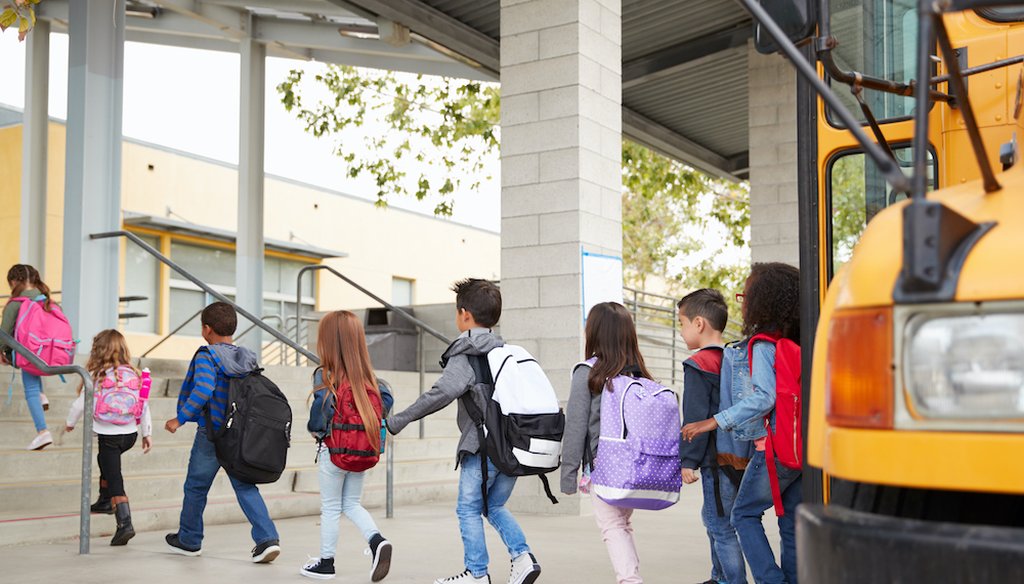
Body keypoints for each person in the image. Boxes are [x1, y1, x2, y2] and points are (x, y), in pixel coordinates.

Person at [385, 278, 541, 584]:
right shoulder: (506, 352)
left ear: (465, 314)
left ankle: (477, 573)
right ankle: (522, 557)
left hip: (482, 448)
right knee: (492, 505)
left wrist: (399, 419)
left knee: (468, 508)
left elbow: (441, 393)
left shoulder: (468, 352)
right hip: (514, 445)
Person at [682, 263, 802, 584]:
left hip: (774, 448)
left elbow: (764, 398)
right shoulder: (798, 341)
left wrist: (714, 422)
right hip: (801, 447)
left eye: (745, 296)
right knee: (790, 521)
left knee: (743, 514)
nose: (742, 303)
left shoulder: (763, 345)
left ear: (763, 301)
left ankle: (770, 580)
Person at [163, 302, 281, 563]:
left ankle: (190, 540)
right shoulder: (246, 357)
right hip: (239, 435)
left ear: (207, 329)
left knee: (195, 487)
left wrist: (179, 419)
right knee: (244, 485)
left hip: (211, 435)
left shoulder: (208, 356)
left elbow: (204, 388)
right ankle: (267, 539)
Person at [561, 301, 655, 584]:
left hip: (604, 467)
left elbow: (575, 426)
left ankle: (630, 580)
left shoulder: (587, 372)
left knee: (612, 526)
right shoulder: (638, 372)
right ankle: (632, 576)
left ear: (594, 333)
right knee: (622, 523)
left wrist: (567, 475)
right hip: (636, 464)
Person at [301, 311, 392, 581]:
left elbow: (319, 416)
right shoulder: (372, 380)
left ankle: (326, 562)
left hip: (334, 452)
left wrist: (315, 431)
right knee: (351, 503)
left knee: (330, 507)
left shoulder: (325, 376)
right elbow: (385, 404)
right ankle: (377, 541)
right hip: (361, 451)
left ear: (327, 341)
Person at [676, 289, 747, 584]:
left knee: (721, 525)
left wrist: (688, 461)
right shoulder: (735, 359)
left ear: (699, 324)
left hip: (714, 460)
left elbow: (694, 418)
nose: (681, 331)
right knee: (716, 519)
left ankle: (732, 581)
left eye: (681, 323)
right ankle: (718, 577)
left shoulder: (698, 365)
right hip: (740, 454)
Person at [65, 329, 153, 546]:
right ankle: (105, 500)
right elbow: (144, 405)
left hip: (109, 435)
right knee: (104, 461)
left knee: (115, 478)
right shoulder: (135, 374)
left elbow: (79, 404)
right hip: (130, 433)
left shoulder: (98, 376)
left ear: (98, 350)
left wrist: (70, 423)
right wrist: (147, 433)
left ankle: (125, 524)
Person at [0, 264, 54, 450]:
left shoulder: (16, 303)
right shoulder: (46, 299)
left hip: (27, 353)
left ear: (15, 282)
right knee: (34, 370)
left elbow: (3, 334)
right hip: (50, 353)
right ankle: (41, 395)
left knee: (29, 387)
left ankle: (42, 431)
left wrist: (2, 353)